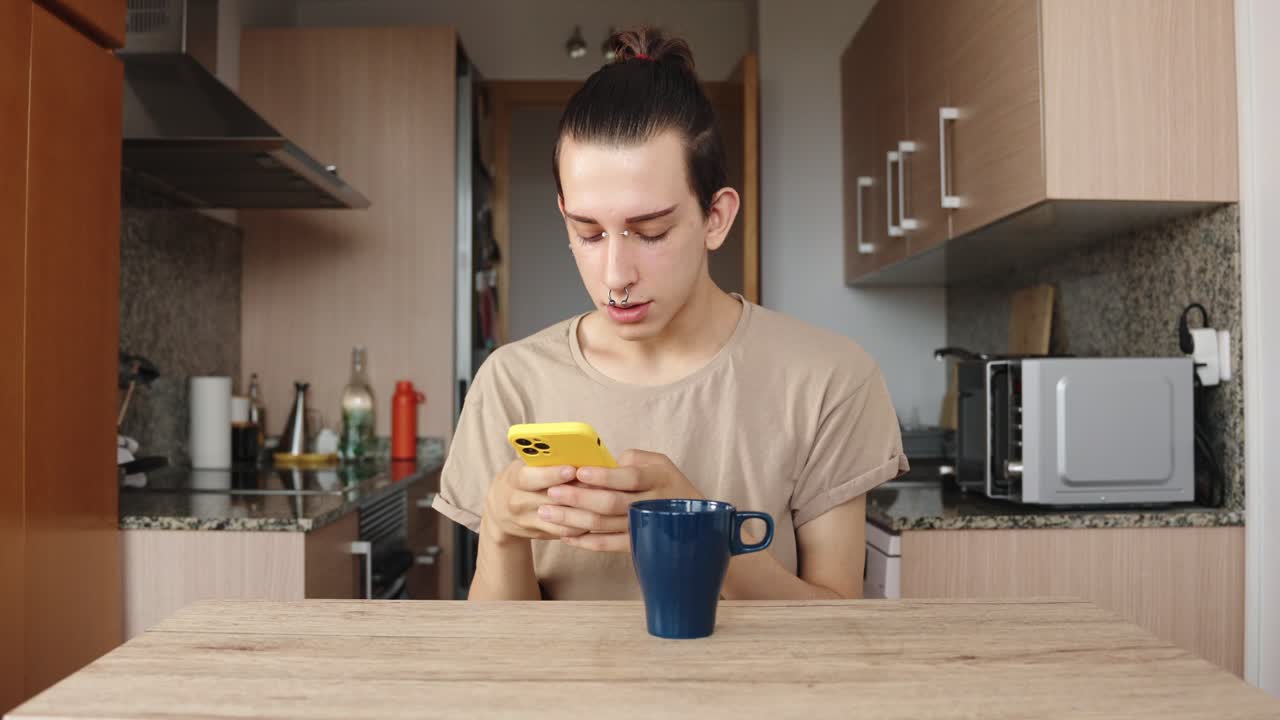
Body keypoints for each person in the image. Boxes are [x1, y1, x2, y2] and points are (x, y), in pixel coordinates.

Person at [432, 27, 907, 601]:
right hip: (561, 694)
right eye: (587, 232)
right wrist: (503, 532)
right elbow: (498, 652)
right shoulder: (512, 382)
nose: (614, 277)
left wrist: (702, 530)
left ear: (716, 217)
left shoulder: (830, 378)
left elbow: (838, 631)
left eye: (650, 232)